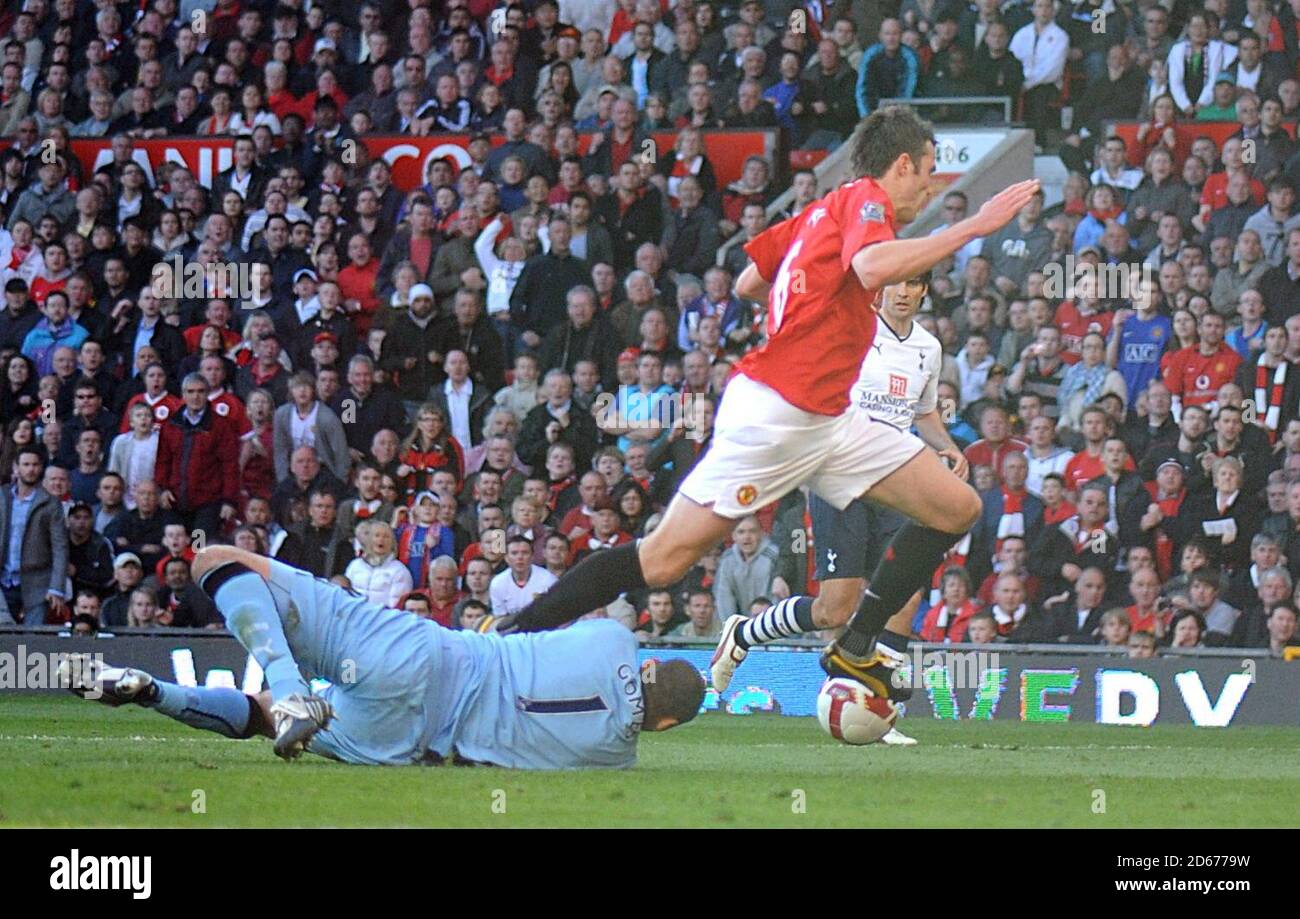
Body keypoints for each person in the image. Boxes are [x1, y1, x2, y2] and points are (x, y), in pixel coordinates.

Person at [499, 107, 1036, 709]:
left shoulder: (818, 213)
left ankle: (856, 644)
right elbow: (870, 266)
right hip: (778, 414)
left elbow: (755, 282)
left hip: (831, 417)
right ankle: (508, 641)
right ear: (902, 163)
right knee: (665, 560)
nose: (932, 186)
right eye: (929, 172)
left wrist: (804, 305)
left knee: (957, 506)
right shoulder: (864, 200)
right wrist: (974, 226)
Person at [63, 543, 705, 768]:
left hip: (425, 654)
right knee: (258, 717)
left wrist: (521, 622)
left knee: (217, 562)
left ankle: (289, 683)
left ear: (649, 663)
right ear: (667, 726)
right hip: (410, 739)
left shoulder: (618, 640)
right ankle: (159, 694)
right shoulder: (612, 759)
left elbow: (591, 579)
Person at [711, 273, 951, 738]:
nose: (903, 292)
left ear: (924, 291)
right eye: (896, 283)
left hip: (895, 475)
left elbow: (924, 413)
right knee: (834, 611)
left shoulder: (928, 348)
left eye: (914, 284)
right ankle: (743, 633)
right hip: (841, 473)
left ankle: (877, 710)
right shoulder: (854, 328)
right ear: (881, 289)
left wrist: (947, 448)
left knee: (905, 595)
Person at [0, 447, 68, 624]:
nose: (31, 469)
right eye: (26, 464)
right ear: (16, 468)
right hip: (3, 578)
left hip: (37, 582)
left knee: (33, 639)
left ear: (41, 468)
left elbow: (60, 547)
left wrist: (56, 587)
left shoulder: (51, 503)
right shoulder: (2, 496)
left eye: (35, 465)